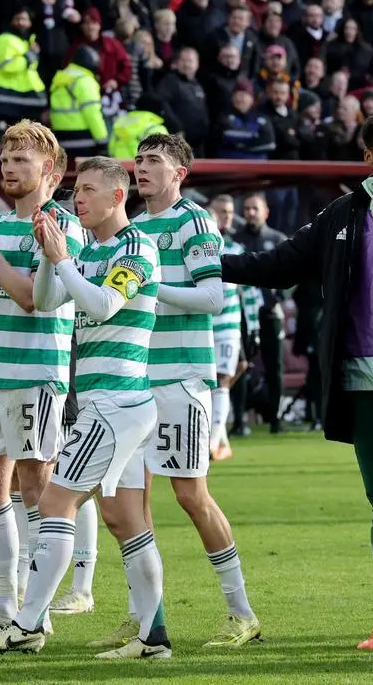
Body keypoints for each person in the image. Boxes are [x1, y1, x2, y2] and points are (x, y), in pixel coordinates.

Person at [220, 110, 373, 650]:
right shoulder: (341, 213)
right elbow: (279, 263)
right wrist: (210, 263)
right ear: (368, 156)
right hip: (359, 378)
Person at [0, 157, 169, 660]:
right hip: (111, 403)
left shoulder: (137, 245)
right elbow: (46, 298)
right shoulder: (90, 248)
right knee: (126, 521)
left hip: (116, 403)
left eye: (89, 191)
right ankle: (153, 637)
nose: (77, 199)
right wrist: (45, 255)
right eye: (76, 189)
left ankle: (28, 625)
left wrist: (59, 259)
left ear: (117, 197)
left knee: (55, 505)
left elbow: (101, 305)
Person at [113, 134, 263, 649]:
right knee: (130, 501)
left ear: (180, 173)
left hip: (181, 379)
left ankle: (241, 613)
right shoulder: (132, 227)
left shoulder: (195, 222)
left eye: (155, 161)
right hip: (133, 381)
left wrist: (147, 290)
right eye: (139, 160)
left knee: (190, 495)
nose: (143, 168)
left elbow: (212, 296)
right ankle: (144, 617)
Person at [0, 122, 84, 635]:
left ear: (49, 171)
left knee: (35, 485)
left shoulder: (60, 226)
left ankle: (38, 610)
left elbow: (33, 299)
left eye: (20, 160)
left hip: (37, 374)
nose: (8, 167)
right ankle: (4, 603)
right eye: (5, 157)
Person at [233, 194, 285, 432]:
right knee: (241, 365)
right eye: (246, 208)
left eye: (255, 208)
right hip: (243, 315)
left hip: (269, 313)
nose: (250, 212)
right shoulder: (236, 241)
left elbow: (295, 273)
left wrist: (279, 297)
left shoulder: (278, 239)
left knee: (274, 366)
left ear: (266, 212)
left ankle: (275, 419)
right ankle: (239, 421)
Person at [207, 195, 251, 461]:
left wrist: (253, 329)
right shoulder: (193, 253)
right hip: (204, 327)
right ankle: (217, 438)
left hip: (228, 327)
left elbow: (249, 292)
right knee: (214, 382)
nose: (225, 218)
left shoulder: (235, 248)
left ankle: (214, 441)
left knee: (226, 376)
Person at [0, 6, 46, 126]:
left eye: (24, 19)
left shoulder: (25, 42)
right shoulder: (6, 39)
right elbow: (6, 66)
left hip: (22, 99)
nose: (21, 23)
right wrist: (29, 56)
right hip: (5, 98)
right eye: (17, 19)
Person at [49, 45, 107, 156]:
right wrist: (102, 141)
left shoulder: (60, 79)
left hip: (61, 140)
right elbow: (92, 114)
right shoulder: (85, 81)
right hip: (84, 141)